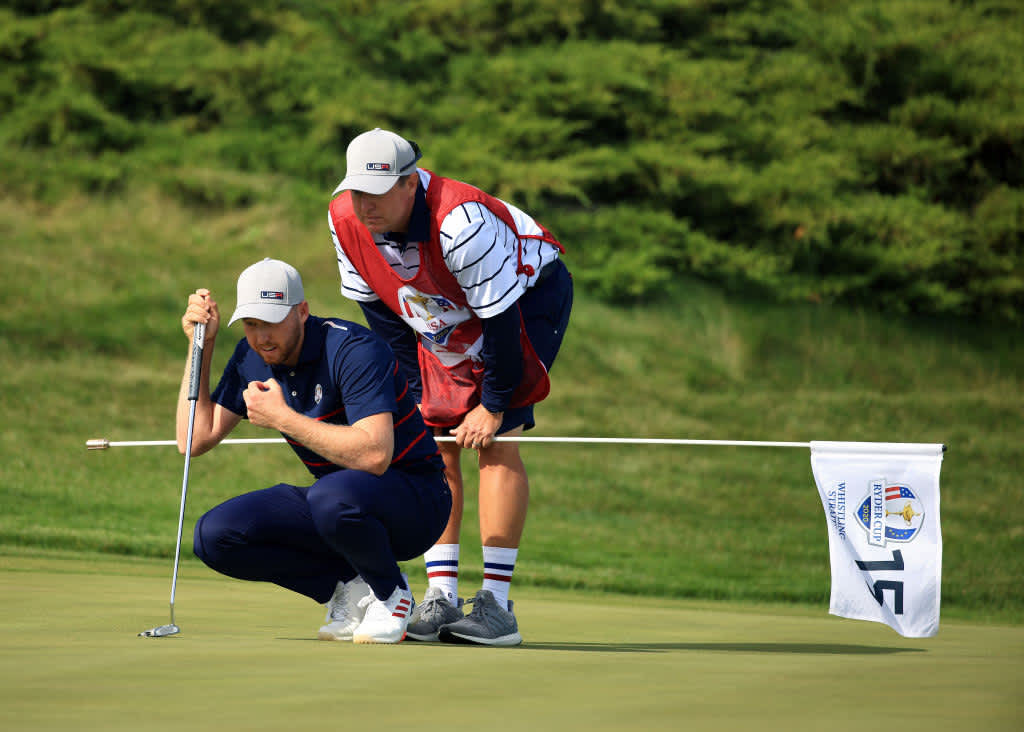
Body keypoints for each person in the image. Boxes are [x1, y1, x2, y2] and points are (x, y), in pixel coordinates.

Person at [328, 128, 573, 645]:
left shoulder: (460, 222)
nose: (365, 205)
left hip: (525, 298)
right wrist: (415, 392)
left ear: (408, 184)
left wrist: (494, 405)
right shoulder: (344, 219)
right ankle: (441, 596)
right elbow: (382, 312)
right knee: (433, 442)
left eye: (377, 193)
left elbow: (501, 320)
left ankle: (497, 606)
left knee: (497, 441)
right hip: (438, 308)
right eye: (357, 193)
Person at [177, 257, 451, 644]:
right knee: (215, 536)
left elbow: (375, 456)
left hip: (417, 501)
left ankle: (392, 595)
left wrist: (283, 418)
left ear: (302, 311)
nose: (262, 336)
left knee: (330, 495)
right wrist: (200, 347)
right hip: (340, 502)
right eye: (252, 324)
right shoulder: (250, 357)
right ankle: (349, 588)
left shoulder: (352, 349)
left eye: (272, 321)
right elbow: (193, 438)